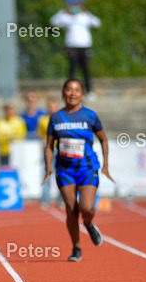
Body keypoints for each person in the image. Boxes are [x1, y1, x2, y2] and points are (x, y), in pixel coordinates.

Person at [43, 79, 112, 262]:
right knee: (71, 209)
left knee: (86, 207)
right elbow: (49, 146)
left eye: (77, 90)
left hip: (87, 168)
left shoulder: (90, 116)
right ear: (63, 93)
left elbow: (104, 139)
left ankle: (88, 224)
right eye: (69, 90)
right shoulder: (56, 118)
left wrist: (105, 164)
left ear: (82, 94)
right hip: (65, 170)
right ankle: (76, 247)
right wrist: (48, 167)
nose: (73, 93)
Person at [50, 4, 101, 93]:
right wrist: (63, 11)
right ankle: (69, 90)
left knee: (86, 69)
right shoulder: (66, 17)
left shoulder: (85, 17)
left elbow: (97, 23)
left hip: (85, 46)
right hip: (71, 46)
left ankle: (89, 91)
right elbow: (53, 22)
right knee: (72, 69)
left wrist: (87, 12)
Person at [38, 98, 58, 207]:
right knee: (47, 173)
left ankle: (62, 199)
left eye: (54, 106)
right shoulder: (43, 120)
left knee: (61, 174)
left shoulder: (62, 119)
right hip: (48, 149)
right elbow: (40, 134)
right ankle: (45, 199)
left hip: (60, 149)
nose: (52, 109)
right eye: (50, 106)